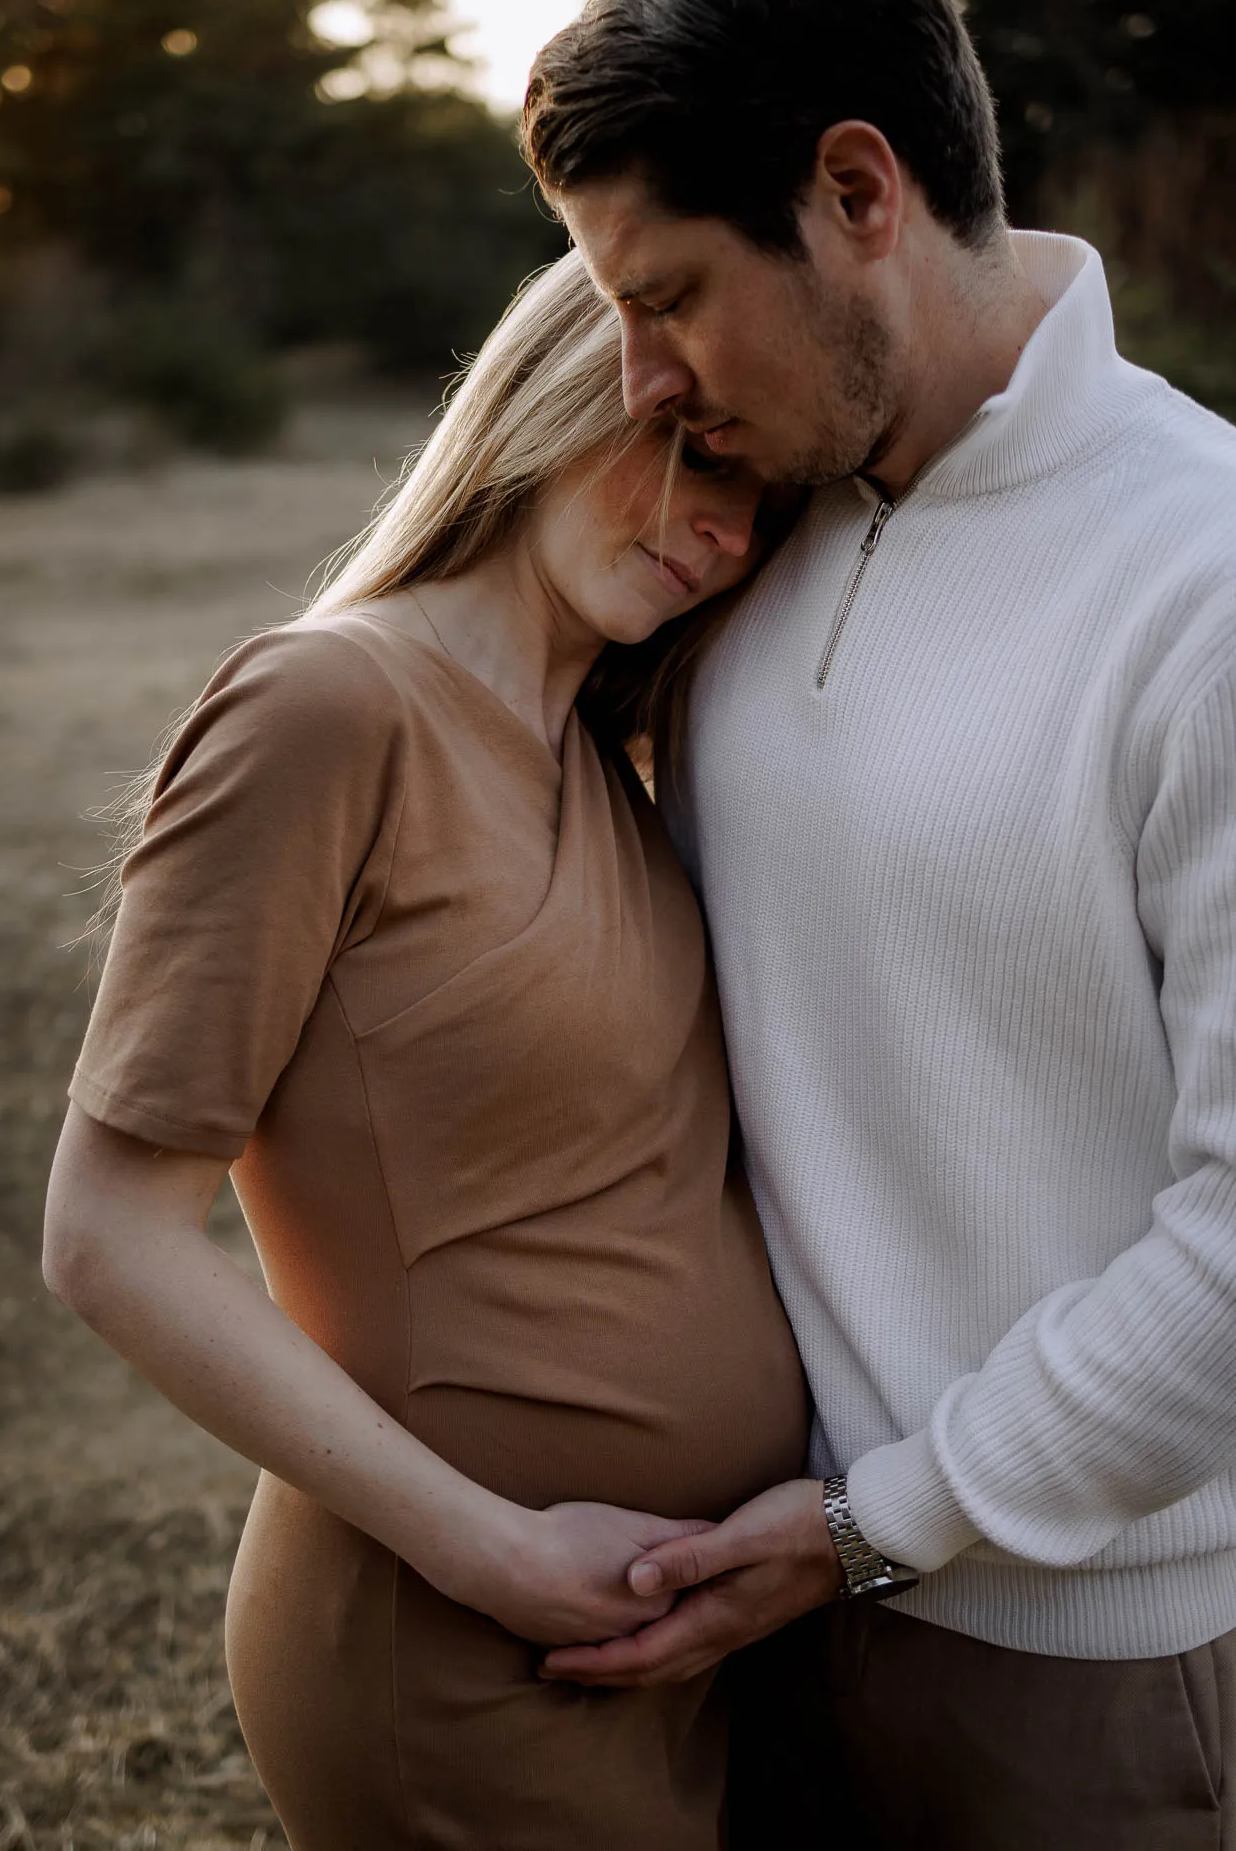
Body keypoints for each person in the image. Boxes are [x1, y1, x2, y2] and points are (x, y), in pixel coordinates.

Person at [522, 0, 1236, 1844]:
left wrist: (875, 1528)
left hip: (1072, 1668)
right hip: (746, 1613)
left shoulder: (1204, 581)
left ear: (858, 193)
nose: (639, 378)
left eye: (667, 296)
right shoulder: (742, 534)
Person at [41, 248, 810, 1851]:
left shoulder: (607, 758)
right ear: (565, 395)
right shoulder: (330, 709)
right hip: (454, 1640)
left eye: (765, 505)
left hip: (671, 1634)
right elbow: (108, 1238)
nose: (728, 535)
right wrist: (487, 1553)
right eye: (700, 454)